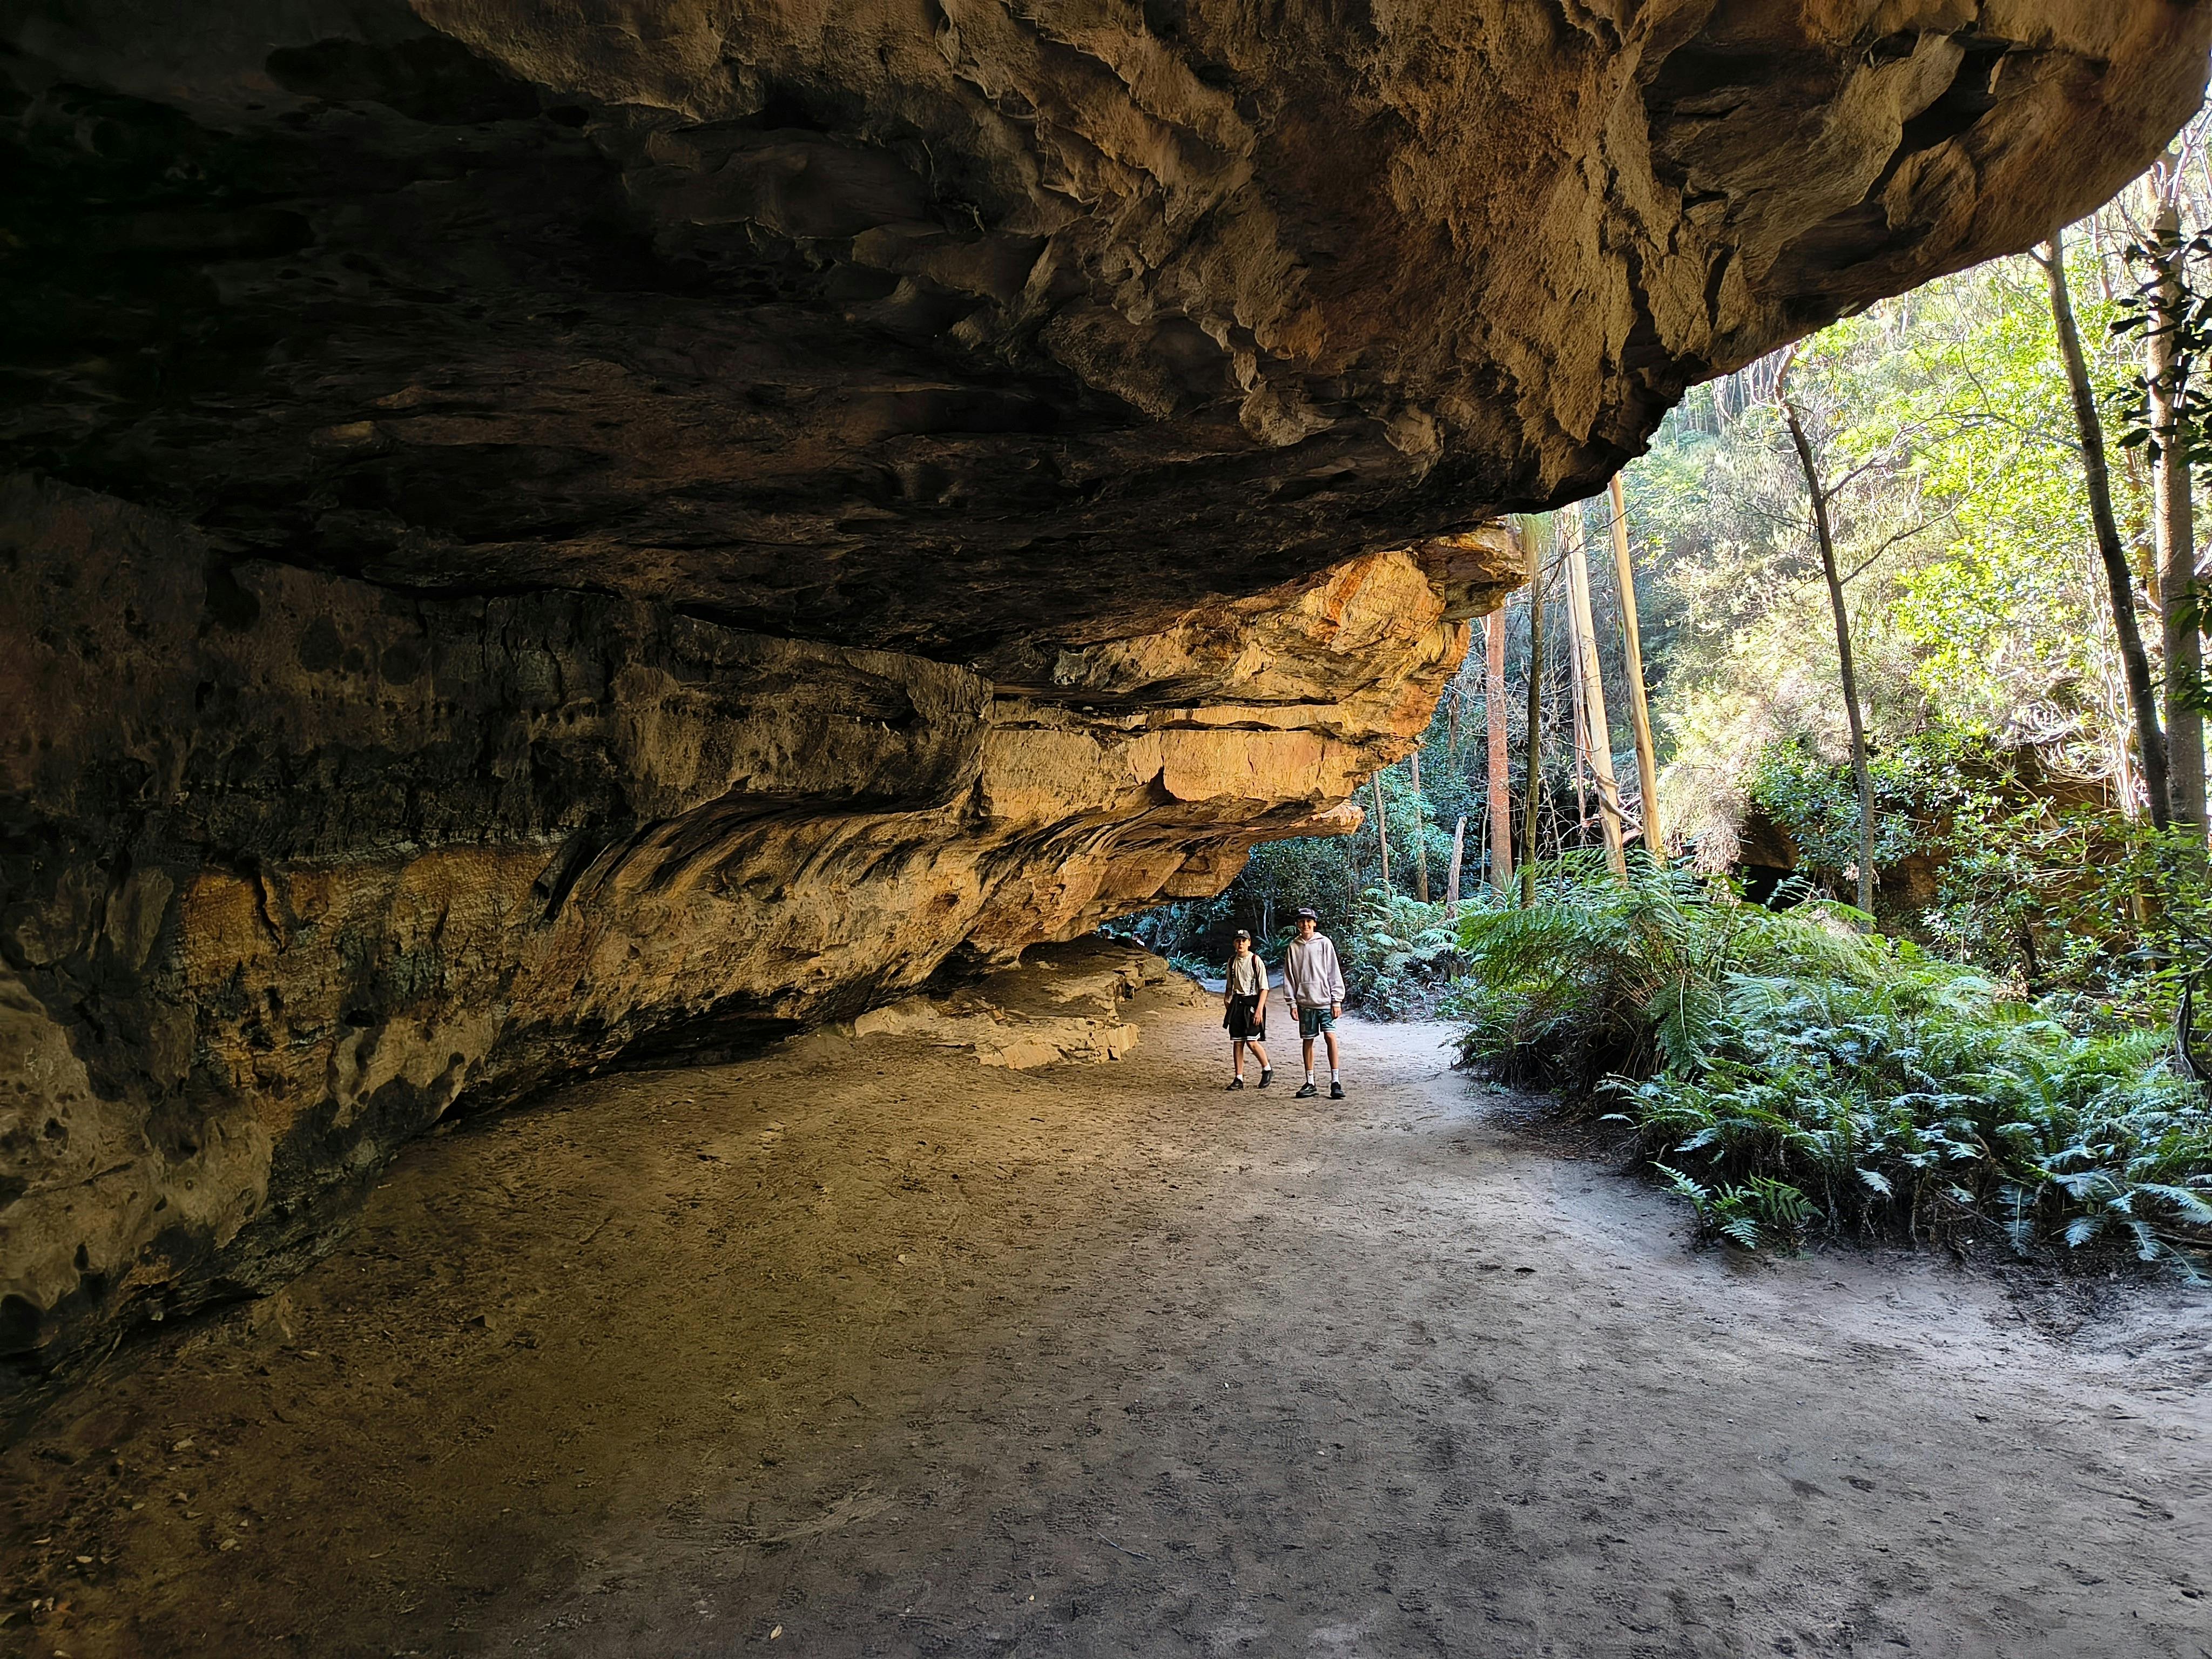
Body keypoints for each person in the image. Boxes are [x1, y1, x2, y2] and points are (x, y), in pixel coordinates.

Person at [1282, 907, 1346, 1098]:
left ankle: (1335, 1081)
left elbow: (1334, 971)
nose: (1305, 924)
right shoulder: (1293, 947)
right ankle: (1310, 1082)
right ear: (1297, 925)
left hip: (1325, 1001)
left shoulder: (1324, 943)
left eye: (1309, 921)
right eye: (1302, 921)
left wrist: (1337, 1000)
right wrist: (1292, 1003)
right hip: (1305, 1002)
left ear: (1315, 923)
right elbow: (1289, 977)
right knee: (1308, 1040)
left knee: (1330, 1038)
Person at [1222, 928, 1273, 1089]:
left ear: (1249, 943)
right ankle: (1239, 1078)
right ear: (1234, 944)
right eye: (1238, 940)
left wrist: (1259, 1010)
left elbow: (1264, 988)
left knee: (1252, 1041)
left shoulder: (1255, 961)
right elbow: (1230, 986)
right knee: (1238, 1042)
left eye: (1244, 940)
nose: (1241, 943)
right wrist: (1226, 1000)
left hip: (1252, 1003)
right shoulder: (1231, 962)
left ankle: (1267, 1069)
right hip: (1237, 1003)